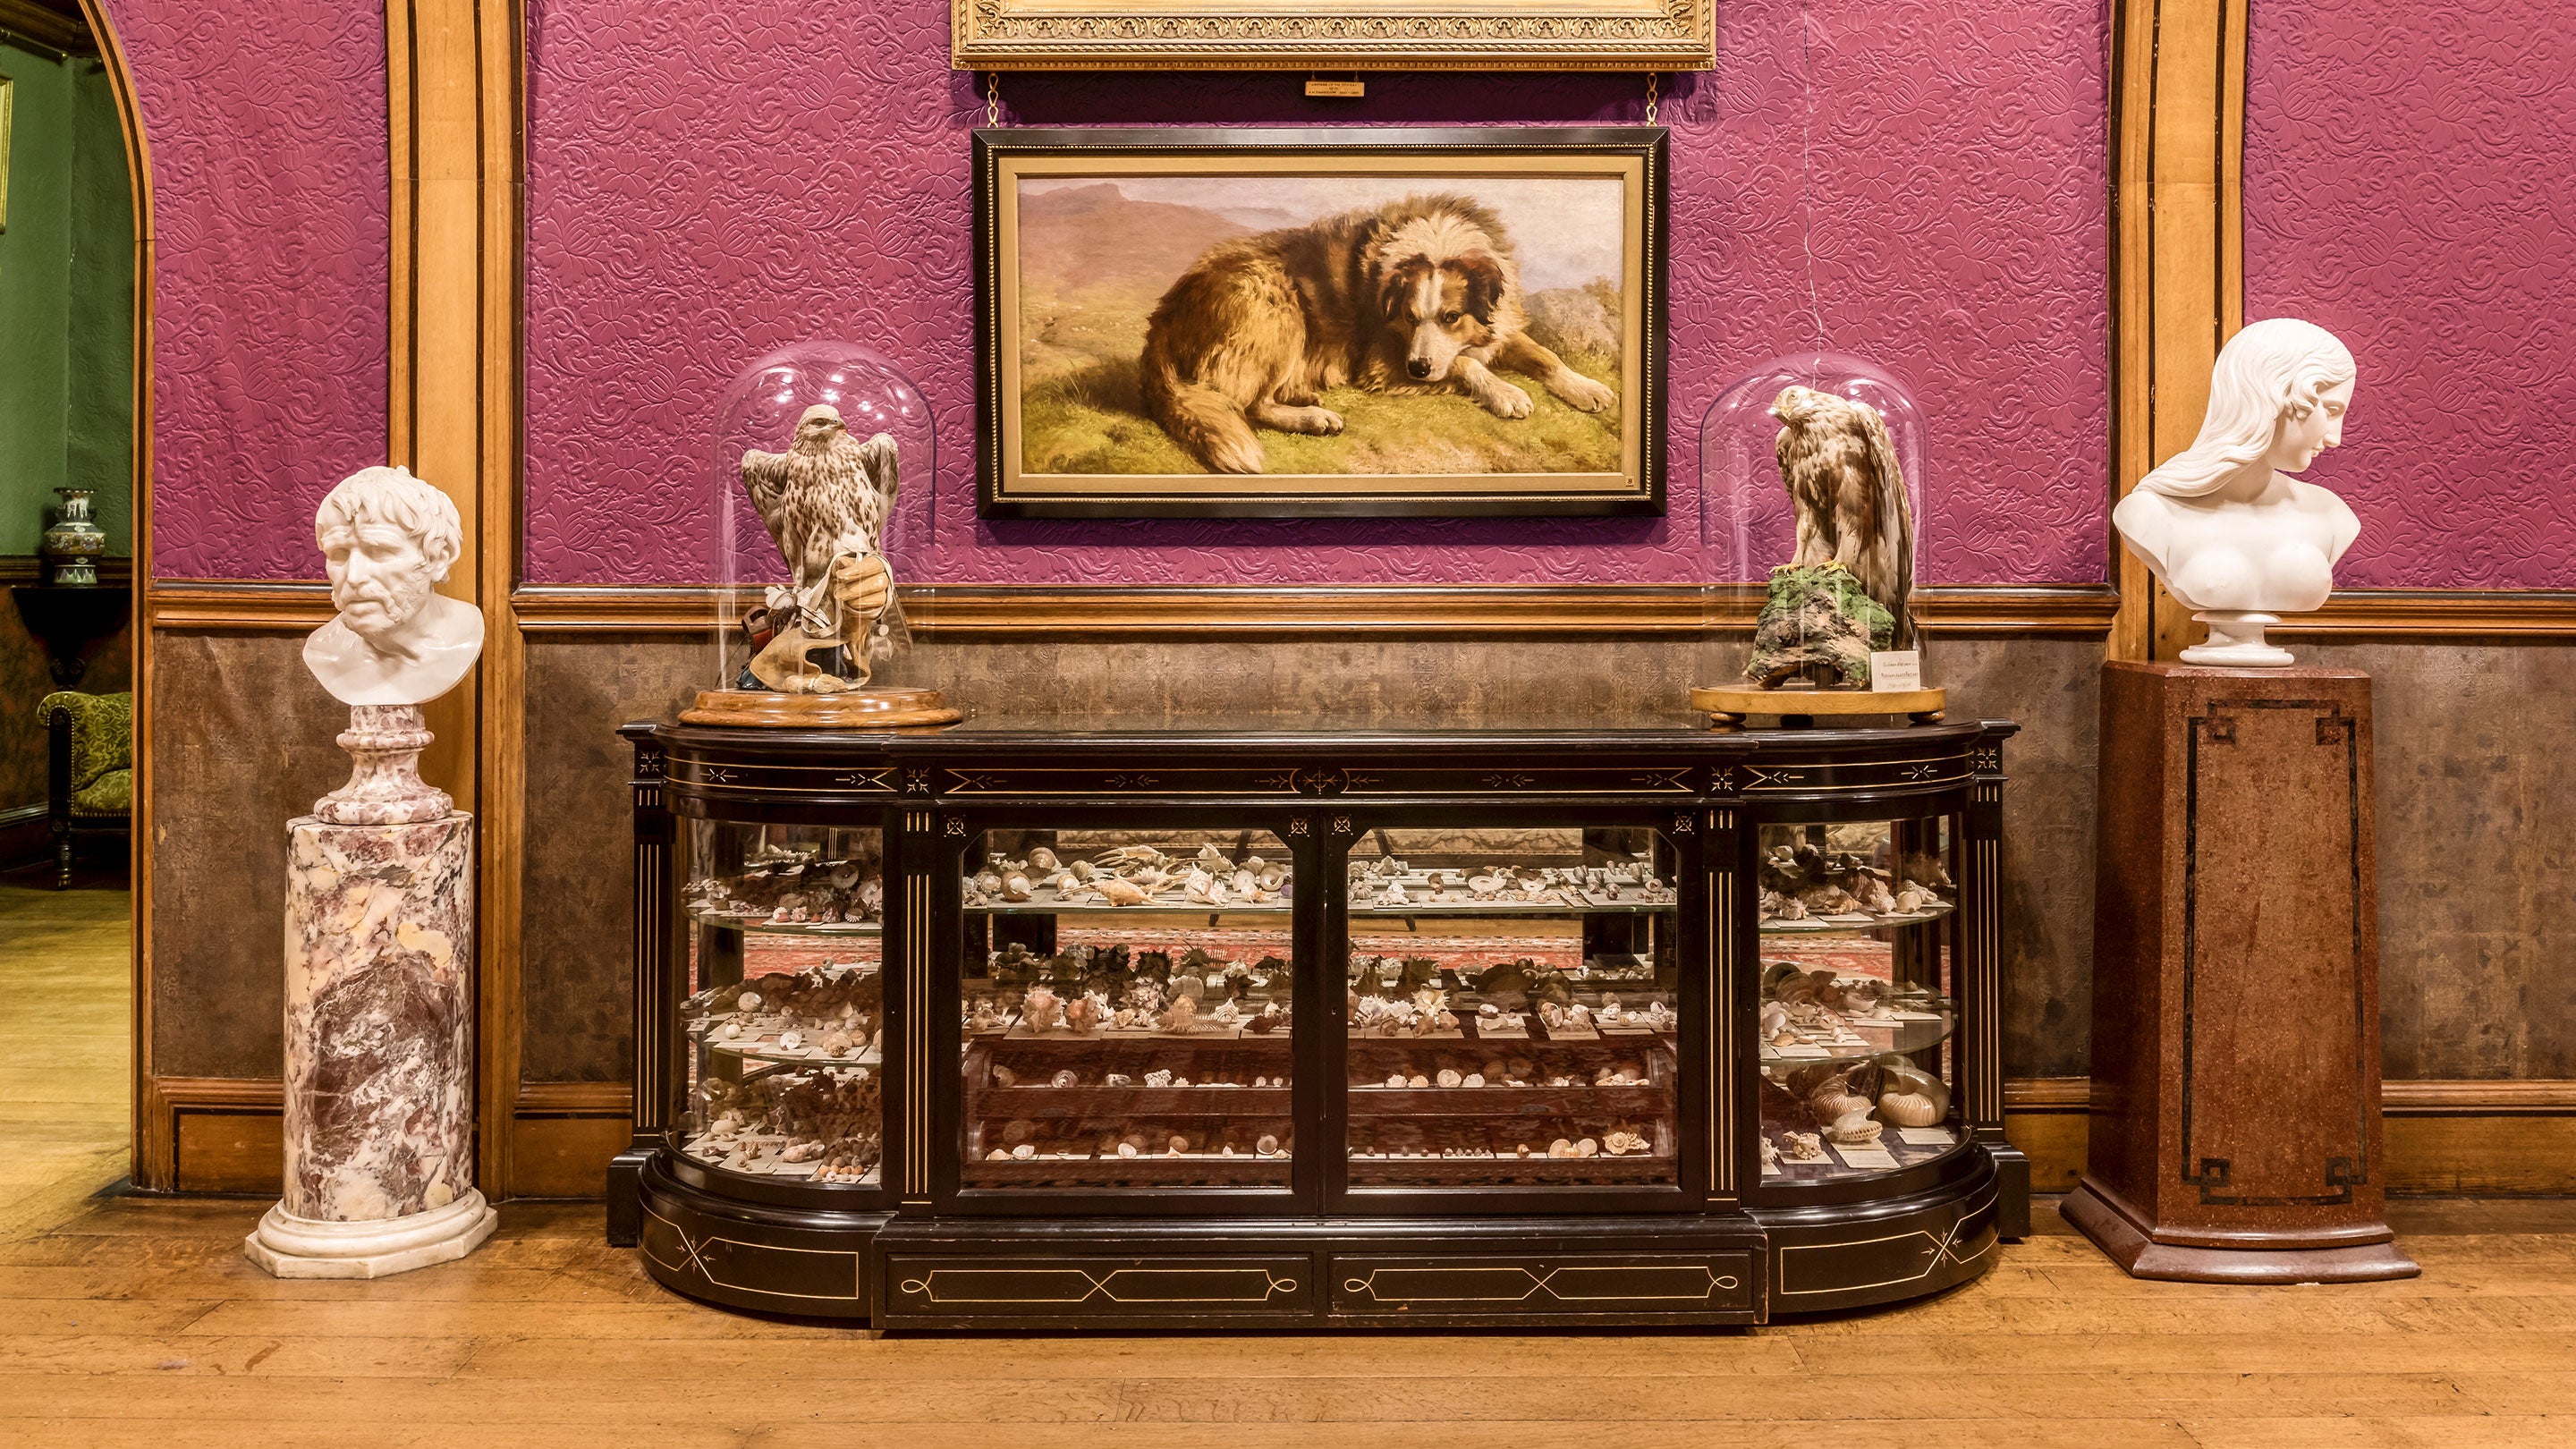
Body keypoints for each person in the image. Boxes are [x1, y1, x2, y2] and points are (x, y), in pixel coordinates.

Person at [2113, 318, 2360, 665]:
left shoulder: (2332, 515)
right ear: (2277, 395)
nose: (2335, 437)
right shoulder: (2148, 514)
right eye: (2331, 410)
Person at [301, 466, 486, 705]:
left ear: (439, 558)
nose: (354, 576)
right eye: (339, 554)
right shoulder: (324, 653)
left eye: (378, 552)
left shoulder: (463, 640)